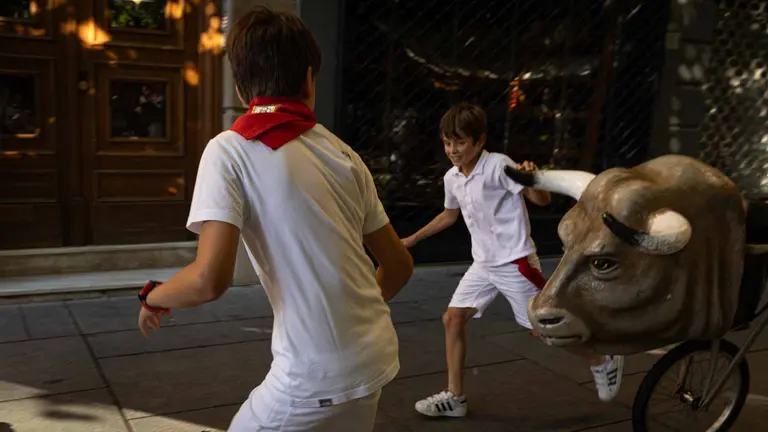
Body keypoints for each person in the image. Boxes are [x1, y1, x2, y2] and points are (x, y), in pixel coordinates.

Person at [135, 6, 414, 431]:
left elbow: (209, 279)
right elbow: (397, 265)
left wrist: (151, 295)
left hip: (312, 377)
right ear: (307, 79)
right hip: (375, 353)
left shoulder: (229, 150)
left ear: (240, 84)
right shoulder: (345, 155)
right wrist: (349, 318)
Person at [401, 102, 624, 418]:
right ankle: (455, 397)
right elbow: (450, 215)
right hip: (483, 264)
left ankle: (602, 361)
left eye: (461, 142)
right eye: (448, 142)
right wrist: (412, 239)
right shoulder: (453, 177)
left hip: (516, 263)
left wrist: (532, 180)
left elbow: (541, 200)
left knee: (543, 330)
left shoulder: (497, 166)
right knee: (452, 318)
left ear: (479, 141)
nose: (453, 149)